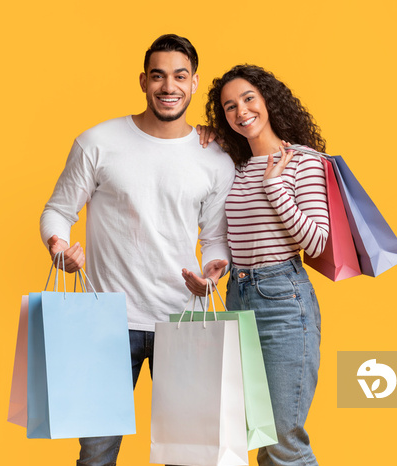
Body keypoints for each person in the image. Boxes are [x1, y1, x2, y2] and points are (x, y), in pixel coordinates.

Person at [39, 34, 235, 466]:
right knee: (96, 455)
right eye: (159, 76)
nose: (170, 87)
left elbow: (215, 238)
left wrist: (214, 272)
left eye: (180, 76)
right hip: (107, 320)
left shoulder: (216, 158)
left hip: (183, 323)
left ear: (195, 82)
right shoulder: (98, 141)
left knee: (189, 456)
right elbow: (57, 211)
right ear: (143, 80)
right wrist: (59, 248)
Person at [186, 64, 329, 466]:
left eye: (249, 98)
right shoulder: (235, 166)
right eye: (229, 106)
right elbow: (232, 234)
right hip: (238, 298)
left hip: (284, 300)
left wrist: (275, 186)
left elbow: (315, 240)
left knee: (283, 440)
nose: (241, 111)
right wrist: (216, 269)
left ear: (268, 99)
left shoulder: (304, 161)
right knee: (256, 436)